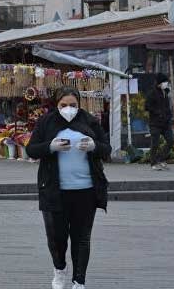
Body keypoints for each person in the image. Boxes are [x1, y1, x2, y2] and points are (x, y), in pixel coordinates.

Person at [26, 86, 111, 289]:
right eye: (64, 105)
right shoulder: (46, 121)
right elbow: (31, 149)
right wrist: (50, 146)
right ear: (56, 105)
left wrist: (94, 146)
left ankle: (79, 281)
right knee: (57, 238)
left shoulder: (89, 120)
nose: (69, 109)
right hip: (54, 191)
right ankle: (59, 269)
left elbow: (106, 148)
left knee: (82, 238)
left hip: (86, 190)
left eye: (73, 105)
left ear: (79, 104)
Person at [145, 73, 174, 171]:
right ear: (159, 83)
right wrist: (158, 112)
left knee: (171, 141)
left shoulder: (166, 92)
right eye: (165, 82)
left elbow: (167, 107)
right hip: (155, 123)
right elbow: (147, 107)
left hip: (166, 123)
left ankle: (161, 159)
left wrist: (169, 116)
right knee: (155, 144)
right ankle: (153, 163)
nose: (166, 84)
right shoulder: (152, 93)